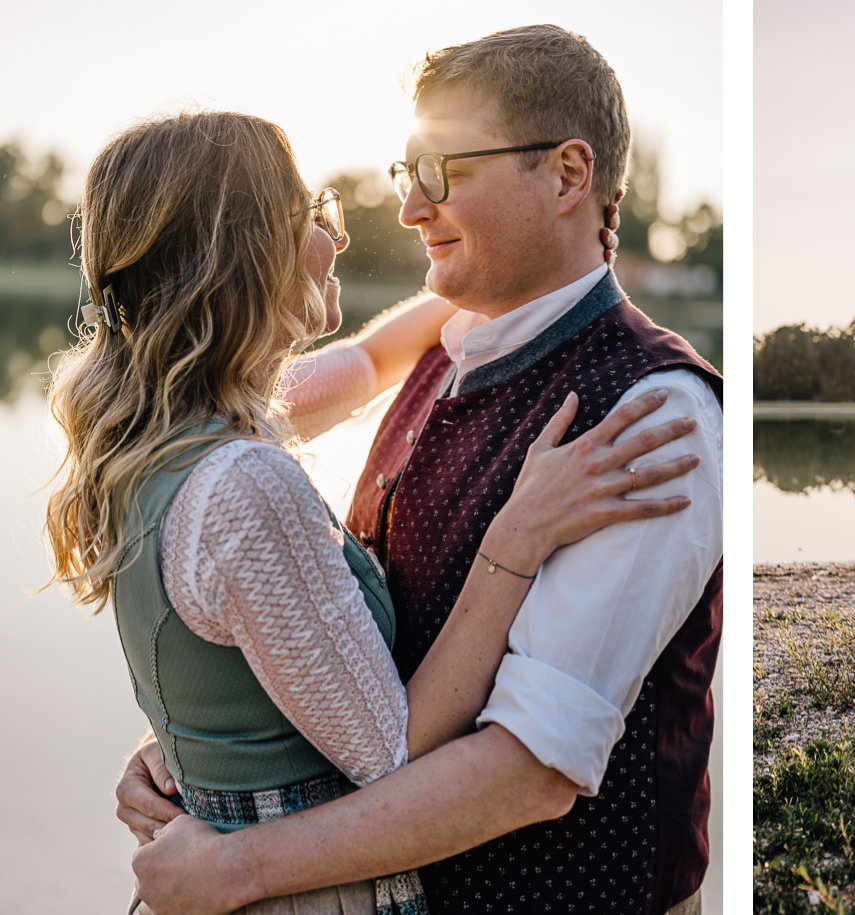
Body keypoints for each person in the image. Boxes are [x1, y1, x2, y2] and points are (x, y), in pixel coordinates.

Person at [123, 25, 724, 915]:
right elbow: (325, 636)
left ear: (567, 175)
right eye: (408, 173)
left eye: (441, 172)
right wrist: (199, 744)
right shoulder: (448, 350)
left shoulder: (649, 413)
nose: (408, 208)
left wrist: (236, 864)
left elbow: (527, 772)